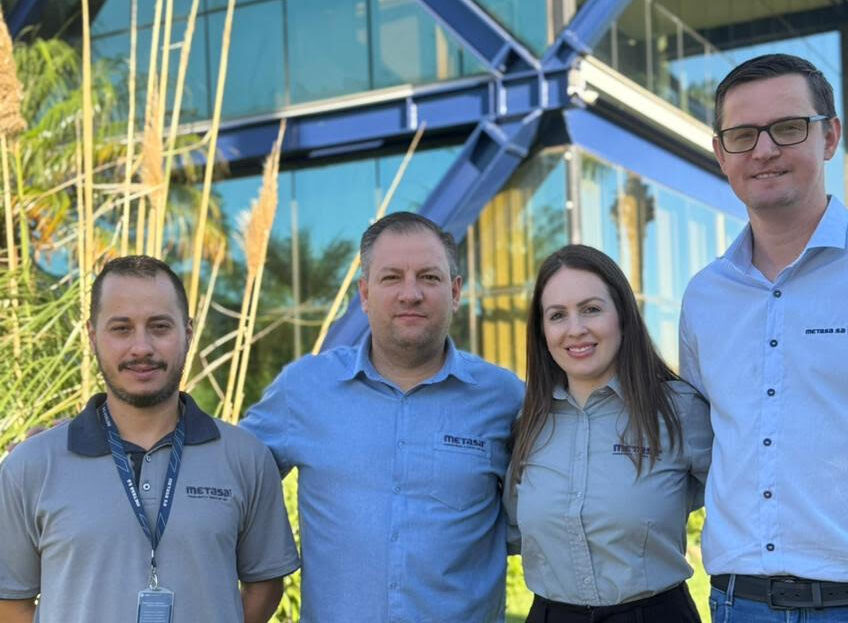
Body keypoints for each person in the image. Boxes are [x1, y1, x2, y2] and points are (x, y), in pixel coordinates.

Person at [679, 53, 848, 622]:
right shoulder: (704, 297)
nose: (763, 150)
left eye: (787, 128)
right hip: (742, 607)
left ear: (829, 136)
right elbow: (709, 447)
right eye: (742, 135)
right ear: (720, 153)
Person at [241, 211, 525, 623]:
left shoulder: (505, 398)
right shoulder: (304, 389)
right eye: (392, 277)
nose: (411, 294)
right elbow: (228, 482)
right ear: (365, 293)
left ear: (456, 291)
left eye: (429, 277)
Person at [0, 255, 300, 623]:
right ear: (92, 335)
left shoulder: (246, 458)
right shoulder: (31, 466)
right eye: (121, 328)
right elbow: (11, 603)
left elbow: (264, 586)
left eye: (159, 327)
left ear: (188, 333)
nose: (141, 347)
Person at [506, 244, 710, 623]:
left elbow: (740, 504)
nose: (575, 329)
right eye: (557, 315)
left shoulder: (679, 410)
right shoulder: (528, 422)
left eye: (591, 309)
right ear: (542, 331)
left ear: (623, 317)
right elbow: (513, 528)